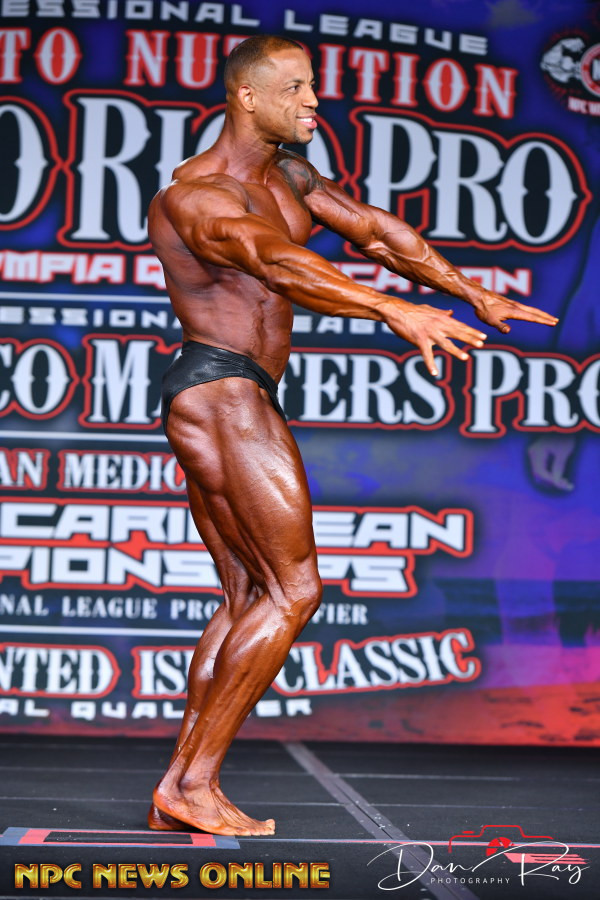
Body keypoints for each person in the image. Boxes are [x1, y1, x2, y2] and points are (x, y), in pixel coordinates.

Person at [147, 34, 557, 836]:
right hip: (221, 389)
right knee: (295, 589)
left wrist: (470, 292)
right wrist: (392, 309)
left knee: (248, 596)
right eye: (296, 89)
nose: (313, 102)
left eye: (313, 87)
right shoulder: (193, 198)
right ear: (246, 97)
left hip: (236, 391)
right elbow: (276, 263)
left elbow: (376, 232)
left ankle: (179, 792)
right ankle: (192, 783)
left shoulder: (289, 176)